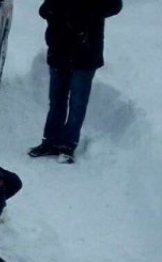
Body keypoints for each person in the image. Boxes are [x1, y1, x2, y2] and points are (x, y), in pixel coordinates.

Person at [28, 0, 122, 163]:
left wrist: (88, 12)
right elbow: (45, 9)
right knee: (56, 100)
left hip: (85, 52)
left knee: (78, 102)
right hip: (59, 50)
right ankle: (50, 141)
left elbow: (114, 6)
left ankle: (67, 145)